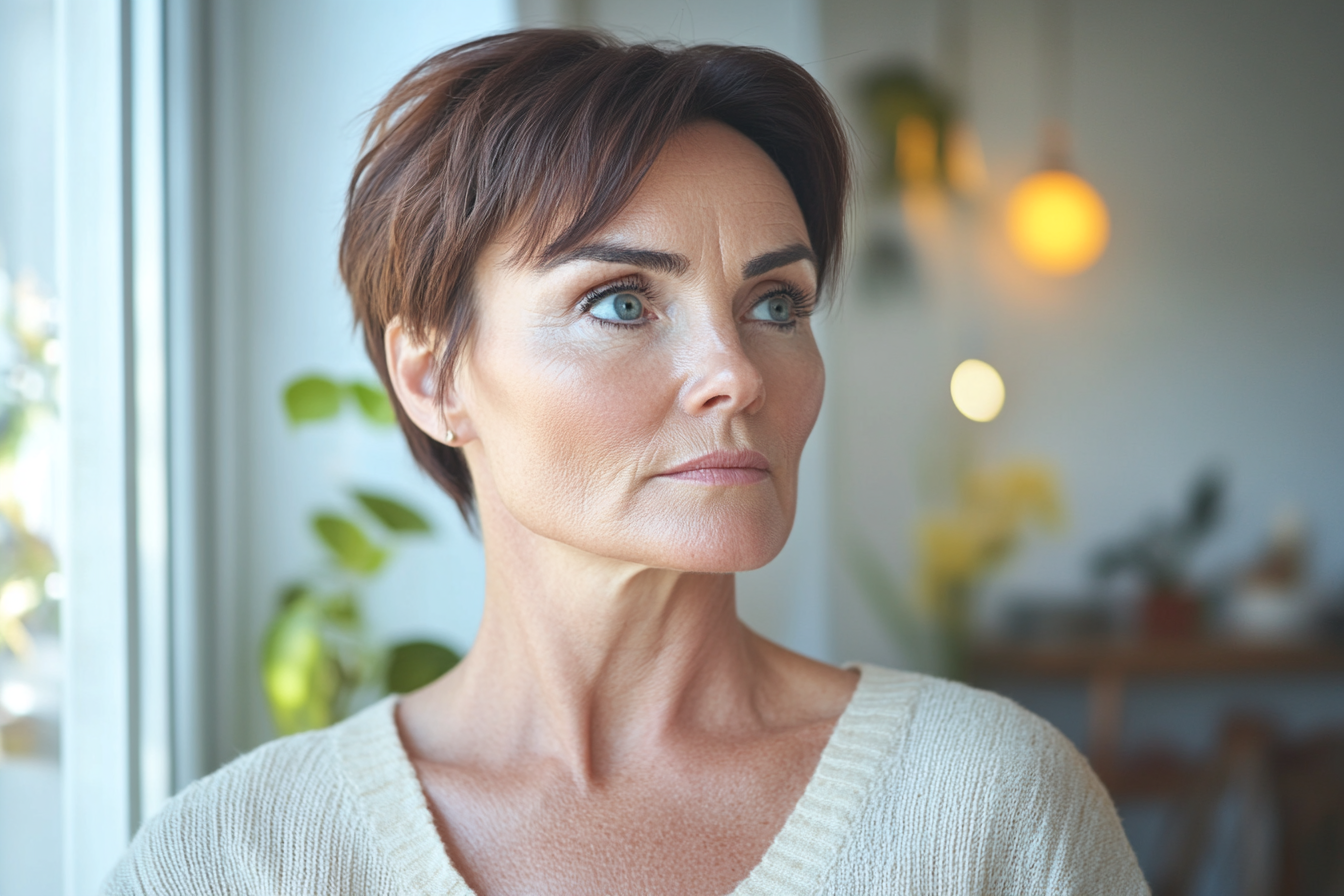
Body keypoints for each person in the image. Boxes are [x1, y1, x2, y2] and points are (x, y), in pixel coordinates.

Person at [106, 29, 1148, 895]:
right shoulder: (235, 858)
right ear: (432, 377)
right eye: (621, 301)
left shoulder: (986, 807)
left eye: (774, 303)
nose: (736, 373)